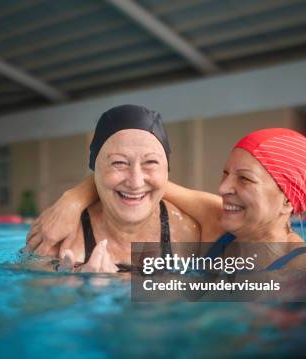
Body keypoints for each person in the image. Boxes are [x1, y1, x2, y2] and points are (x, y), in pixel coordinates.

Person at [28, 128, 306, 272]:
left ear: (289, 201)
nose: (223, 187)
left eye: (244, 179)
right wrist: (73, 199)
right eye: (226, 173)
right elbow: (149, 184)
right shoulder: (219, 223)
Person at [24, 104, 200, 273]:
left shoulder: (188, 234)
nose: (136, 182)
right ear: (95, 170)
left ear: (167, 169)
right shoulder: (60, 239)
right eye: (119, 163)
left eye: (151, 162)